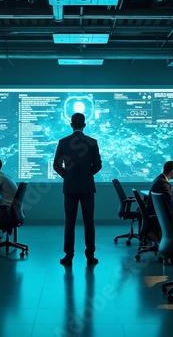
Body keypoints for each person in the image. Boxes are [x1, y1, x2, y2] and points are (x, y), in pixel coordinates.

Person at [54, 113, 102, 266]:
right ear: (85, 125)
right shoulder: (92, 142)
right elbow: (98, 165)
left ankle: (68, 256)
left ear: (71, 125)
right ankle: (90, 256)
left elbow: (56, 165)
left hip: (69, 187)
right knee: (89, 222)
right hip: (87, 187)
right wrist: (88, 174)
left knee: (69, 222)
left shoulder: (63, 142)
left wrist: (67, 176)